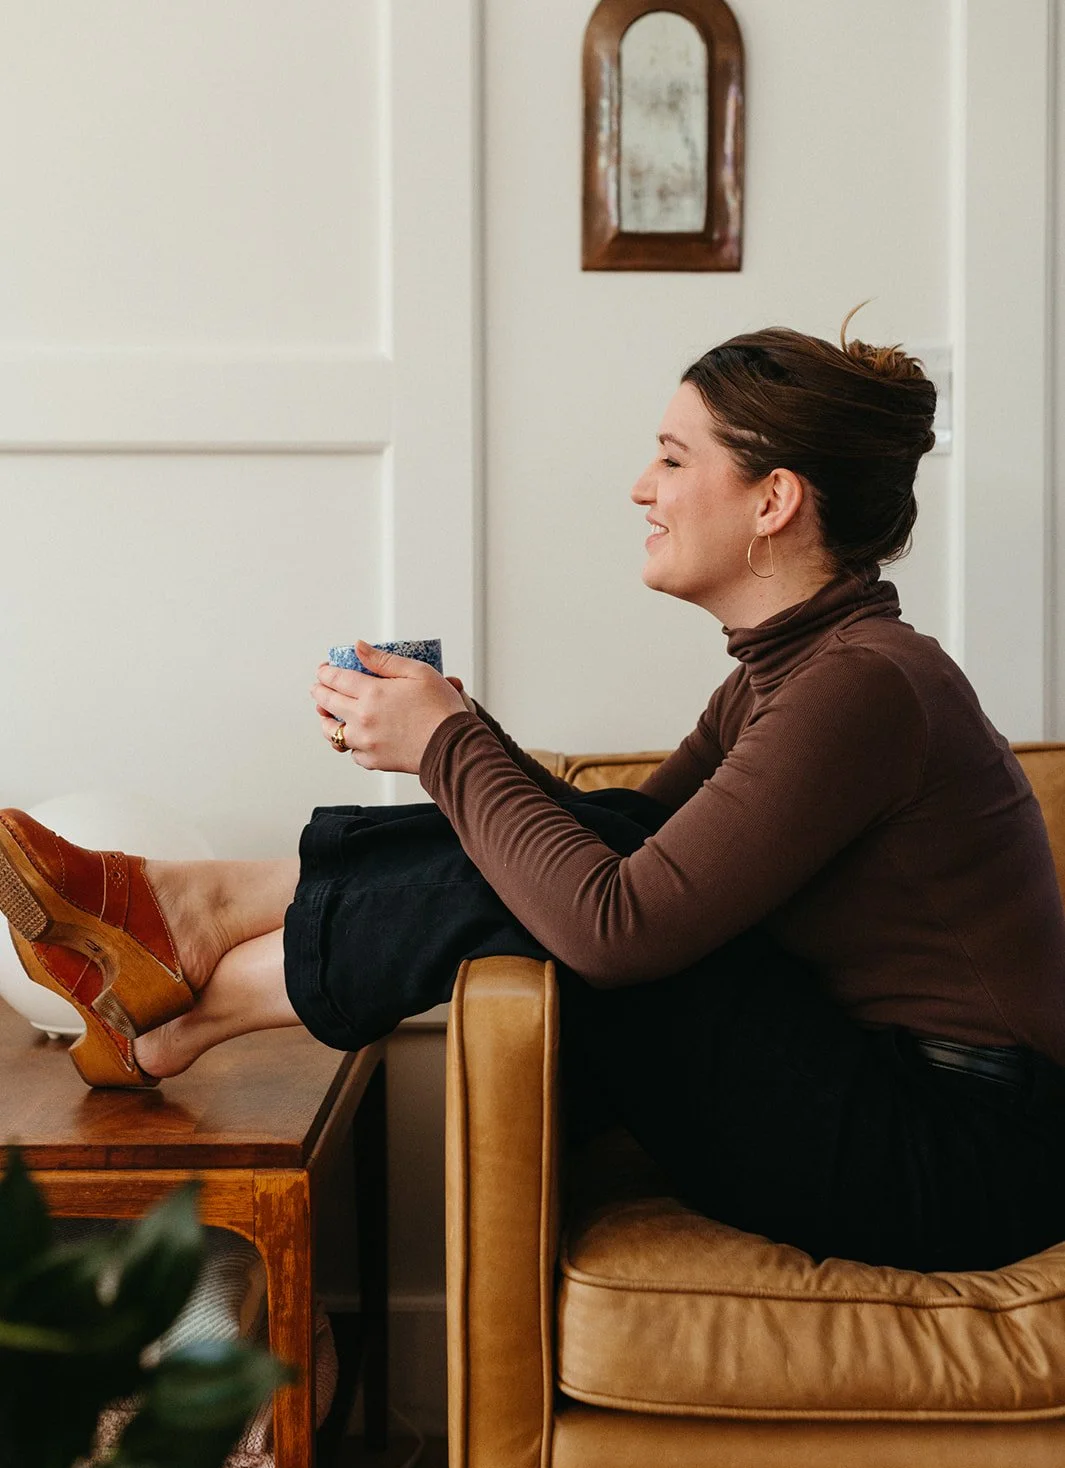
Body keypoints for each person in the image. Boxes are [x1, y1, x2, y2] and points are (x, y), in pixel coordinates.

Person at [4, 312, 1065, 1275]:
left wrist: (450, 746)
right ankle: (174, 986)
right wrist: (459, 735)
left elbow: (616, 928)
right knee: (584, 846)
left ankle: (190, 938)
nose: (642, 488)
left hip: (959, 1154)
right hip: (893, 1100)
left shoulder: (866, 685)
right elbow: (610, 848)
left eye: (671, 457)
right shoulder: (794, 673)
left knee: (588, 884)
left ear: (774, 500)